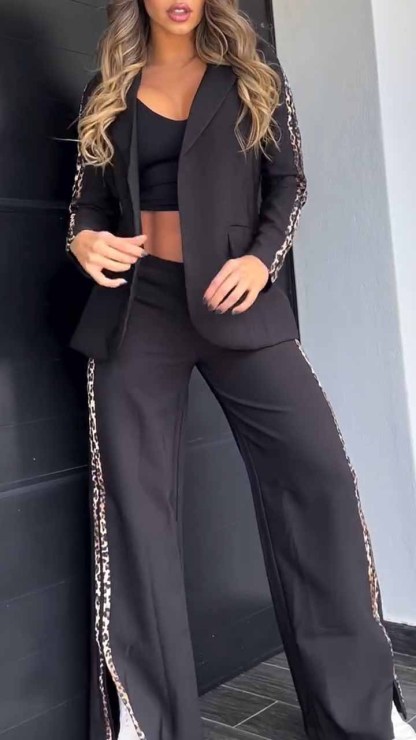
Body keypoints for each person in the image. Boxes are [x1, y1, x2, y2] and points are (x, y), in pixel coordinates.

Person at [64, 2, 413, 739]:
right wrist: (85, 241)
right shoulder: (109, 85)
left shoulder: (252, 74)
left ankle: (359, 714)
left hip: (238, 301)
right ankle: (148, 724)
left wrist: (260, 261)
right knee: (135, 516)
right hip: (136, 310)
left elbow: (290, 183)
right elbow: (86, 205)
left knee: (318, 480)